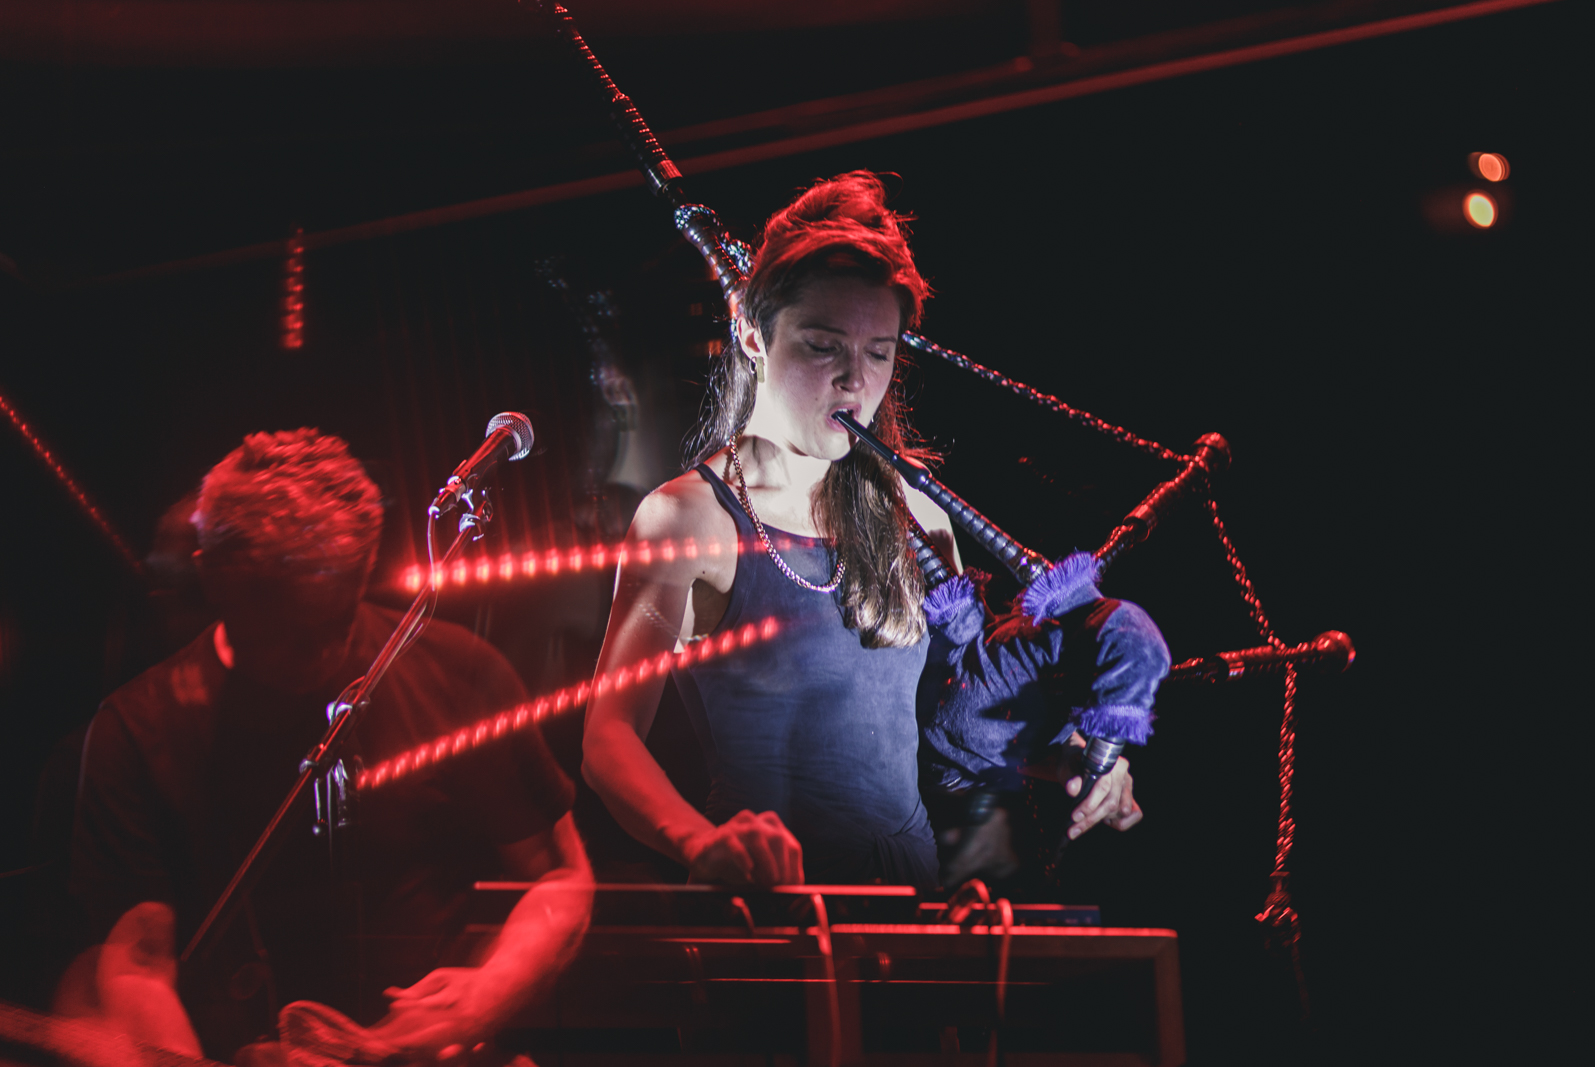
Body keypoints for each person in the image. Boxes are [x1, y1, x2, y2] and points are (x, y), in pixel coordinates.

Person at [581, 171, 1140, 890]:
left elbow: (954, 710)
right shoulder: (688, 518)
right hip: (767, 915)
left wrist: (1069, 757)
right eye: (823, 346)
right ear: (752, 332)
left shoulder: (919, 514)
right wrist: (698, 844)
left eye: (879, 352)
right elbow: (609, 737)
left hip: (908, 910)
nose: (855, 382)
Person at [63, 429, 591, 1065]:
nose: (316, 654)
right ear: (212, 576)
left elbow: (560, 876)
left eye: (334, 620)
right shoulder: (136, 729)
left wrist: (485, 995)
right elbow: (138, 965)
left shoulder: (459, 673)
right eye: (286, 631)